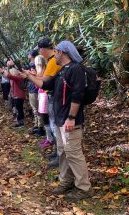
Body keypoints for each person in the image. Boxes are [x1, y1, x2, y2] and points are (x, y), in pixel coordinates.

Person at [21, 40, 93, 200]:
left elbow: (78, 95)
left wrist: (71, 118)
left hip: (70, 120)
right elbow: (45, 83)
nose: (55, 54)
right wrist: (28, 76)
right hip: (61, 119)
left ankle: (84, 187)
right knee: (63, 152)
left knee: (73, 153)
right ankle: (66, 180)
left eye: (57, 52)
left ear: (63, 52)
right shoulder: (62, 71)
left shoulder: (76, 70)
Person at [38, 37, 62, 167]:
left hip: (53, 98)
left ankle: (59, 155)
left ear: (42, 49)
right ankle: (56, 151)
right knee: (53, 125)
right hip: (53, 97)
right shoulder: (51, 60)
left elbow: (44, 82)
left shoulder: (53, 61)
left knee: (55, 126)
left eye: (40, 50)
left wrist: (30, 77)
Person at [26, 49, 45, 136]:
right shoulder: (32, 64)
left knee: (37, 109)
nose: (27, 55)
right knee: (35, 109)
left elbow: (38, 76)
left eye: (29, 54)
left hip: (35, 89)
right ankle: (37, 125)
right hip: (32, 88)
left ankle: (40, 127)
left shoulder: (35, 64)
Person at [3, 60, 26, 127]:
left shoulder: (17, 77)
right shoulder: (15, 77)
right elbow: (7, 75)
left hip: (19, 95)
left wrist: (7, 66)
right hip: (16, 95)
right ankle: (20, 121)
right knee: (19, 108)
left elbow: (8, 75)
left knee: (19, 109)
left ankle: (20, 122)